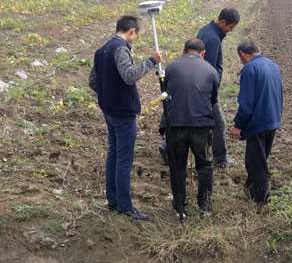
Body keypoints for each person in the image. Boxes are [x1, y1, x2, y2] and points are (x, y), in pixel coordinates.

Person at [89, 15, 162, 221]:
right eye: (135, 35)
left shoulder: (101, 50)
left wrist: (108, 93)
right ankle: (125, 206)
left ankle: (112, 201)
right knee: (123, 159)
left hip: (109, 110)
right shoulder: (120, 49)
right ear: (131, 32)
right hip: (122, 112)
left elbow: (93, 81)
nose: (135, 39)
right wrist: (151, 62)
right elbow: (129, 75)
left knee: (113, 154)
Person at [164, 38, 219, 220]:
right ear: (203, 53)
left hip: (175, 126)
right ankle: (204, 207)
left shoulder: (170, 68)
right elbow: (213, 100)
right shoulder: (211, 70)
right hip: (201, 126)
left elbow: (165, 94)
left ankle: (180, 207)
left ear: (184, 50)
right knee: (204, 166)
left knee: (177, 167)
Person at [229, 41, 283, 204]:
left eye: (240, 58)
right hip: (273, 118)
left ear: (243, 54)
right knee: (260, 158)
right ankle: (250, 189)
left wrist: (238, 126)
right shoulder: (273, 65)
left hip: (258, 122)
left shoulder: (249, 69)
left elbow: (246, 104)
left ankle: (261, 200)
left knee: (255, 163)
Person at [196, 8, 240, 168]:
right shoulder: (213, 39)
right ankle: (220, 159)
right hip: (206, 90)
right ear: (222, 22)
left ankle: (167, 146)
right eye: (230, 27)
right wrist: (211, 93)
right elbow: (209, 69)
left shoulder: (206, 30)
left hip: (198, 86)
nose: (230, 31)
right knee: (219, 124)